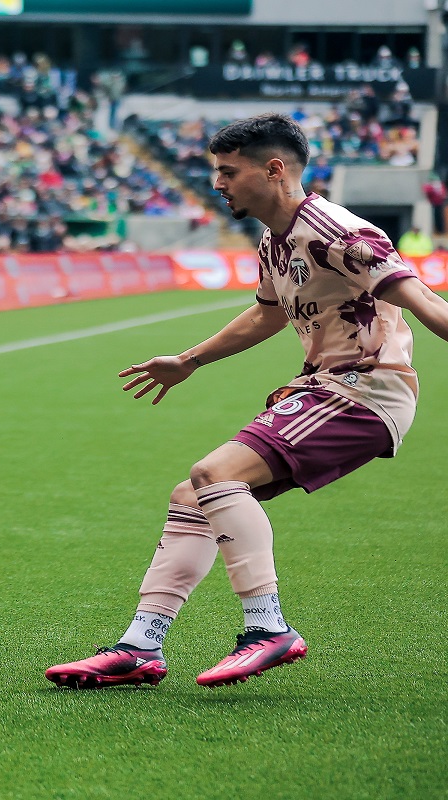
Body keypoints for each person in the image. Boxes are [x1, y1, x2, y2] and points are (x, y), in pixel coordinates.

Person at [46, 113, 448, 689]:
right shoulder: (275, 237)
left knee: (213, 474)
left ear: (275, 169)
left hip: (367, 388)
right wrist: (189, 361)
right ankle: (141, 647)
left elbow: (427, 306)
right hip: (325, 387)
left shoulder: (340, 232)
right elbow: (266, 311)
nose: (218, 183)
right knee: (192, 496)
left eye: (228, 171)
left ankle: (268, 628)